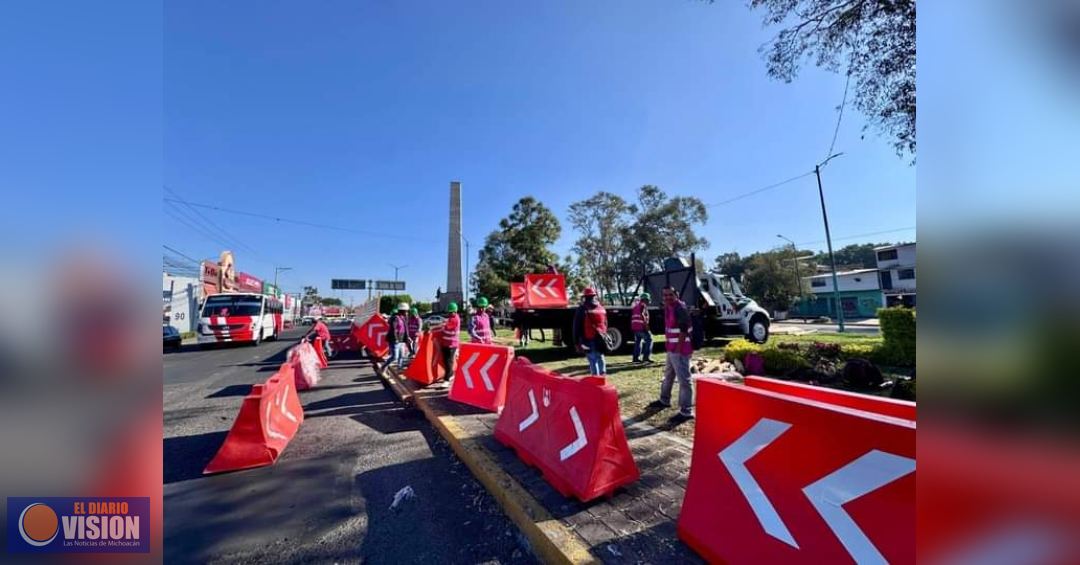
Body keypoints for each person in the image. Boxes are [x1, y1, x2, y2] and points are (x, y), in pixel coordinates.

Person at [650, 286, 694, 422]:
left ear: (676, 295)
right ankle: (664, 400)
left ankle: (686, 411)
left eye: (670, 295)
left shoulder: (680, 308)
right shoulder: (669, 307)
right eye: (665, 295)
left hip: (679, 349)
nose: (667, 297)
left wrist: (679, 348)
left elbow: (684, 330)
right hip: (671, 348)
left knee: (684, 380)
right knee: (668, 375)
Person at [573, 287, 608, 375]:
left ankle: (595, 378)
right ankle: (602, 376)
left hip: (588, 338)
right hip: (601, 337)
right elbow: (606, 323)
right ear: (594, 296)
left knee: (592, 359)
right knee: (600, 356)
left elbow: (576, 327)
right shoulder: (601, 308)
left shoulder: (582, 309)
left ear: (585, 297)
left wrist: (576, 342)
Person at [438, 302, 461, 382]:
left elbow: (445, 328)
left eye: (452, 312)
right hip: (446, 343)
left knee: (448, 362)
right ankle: (450, 375)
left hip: (451, 344)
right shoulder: (451, 318)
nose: (450, 313)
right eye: (449, 312)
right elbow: (444, 326)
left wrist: (441, 327)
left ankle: (447, 379)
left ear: (455, 311)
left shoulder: (455, 319)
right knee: (447, 361)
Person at [631, 292, 653, 364]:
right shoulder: (643, 305)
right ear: (646, 300)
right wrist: (646, 326)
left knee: (638, 342)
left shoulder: (636, 306)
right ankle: (646, 357)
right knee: (649, 339)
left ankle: (635, 358)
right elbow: (642, 315)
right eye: (648, 300)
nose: (649, 301)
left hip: (635, 327)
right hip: (641, 327)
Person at [387, 303, 409, 370]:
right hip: (395, 340)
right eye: (406, 311)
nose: (407, 312)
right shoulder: (395, 318)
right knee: (394, 357)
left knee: (401, 356)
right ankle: (384, 367)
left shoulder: (403, 318)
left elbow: (405, 329)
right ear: (402, 311)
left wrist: (407, 337)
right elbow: (393, 329)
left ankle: (400, 367)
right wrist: (396, 339)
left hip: (401, 340)